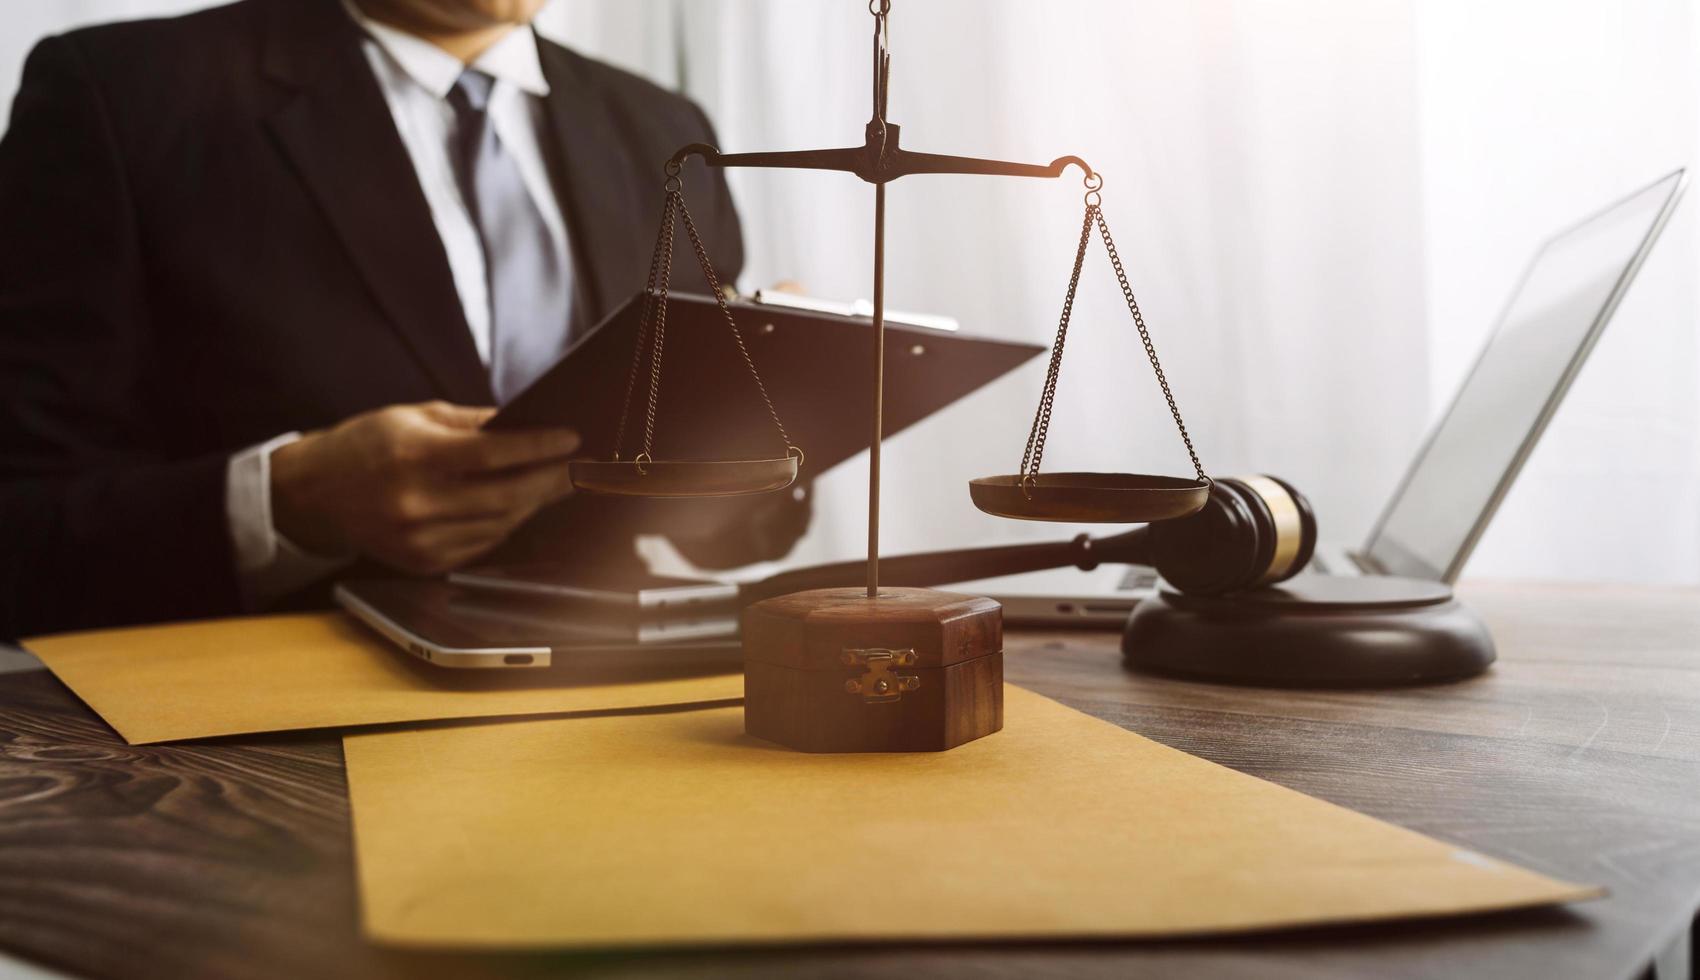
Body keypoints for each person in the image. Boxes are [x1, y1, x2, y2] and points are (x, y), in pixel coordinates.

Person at [0, 0, 801, 639]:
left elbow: (723, 536)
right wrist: (285, 506)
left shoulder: (662, 127)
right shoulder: (120, 92)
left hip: (619, 711)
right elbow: (24, 532)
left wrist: (779, 410)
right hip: (264, 738)